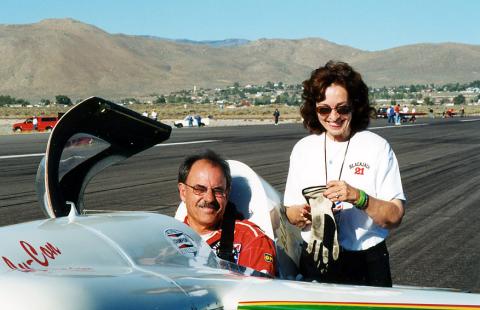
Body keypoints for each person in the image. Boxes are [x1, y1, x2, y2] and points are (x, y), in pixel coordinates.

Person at [283, 60, 405, 287]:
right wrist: (302, 214)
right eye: (324, 109)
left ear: (355, 106)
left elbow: (395, 215)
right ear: (314, 109)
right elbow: (290, 210)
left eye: (343, 108)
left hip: (366, 261)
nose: (333, 116)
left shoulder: (376, 147)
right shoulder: (303, 149)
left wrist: (359, 197)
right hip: (316, 257)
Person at [177, 149, 276, 276]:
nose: (209, 198)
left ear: (227, 194)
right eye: (200, 189)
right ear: (183, 192)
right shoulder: (165, 239)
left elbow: (257, 292)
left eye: (218, 191)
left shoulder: (251, 240)